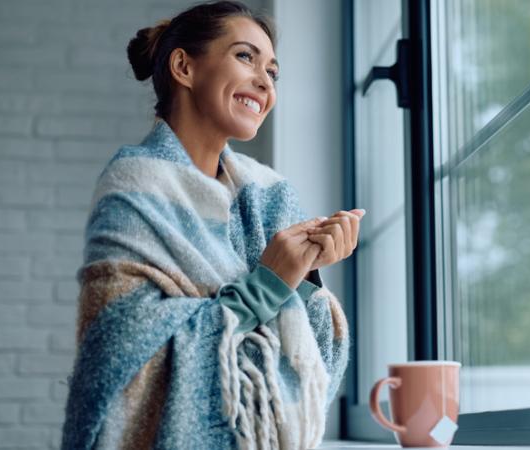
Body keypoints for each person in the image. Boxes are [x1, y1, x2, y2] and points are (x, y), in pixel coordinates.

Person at [61, 2, 363, 449]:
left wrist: (305, 276)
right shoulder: (136, 186)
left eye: (273, 72)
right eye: (246, 57)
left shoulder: (271, 195)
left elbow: (311, 365)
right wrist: (266, 286)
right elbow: (117, 354)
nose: (265, 81)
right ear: (183, 66)